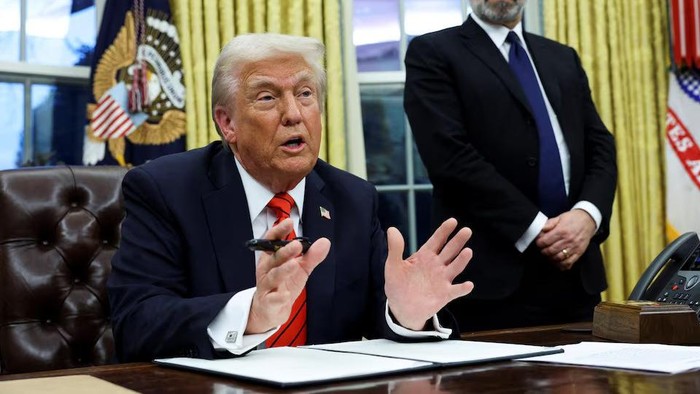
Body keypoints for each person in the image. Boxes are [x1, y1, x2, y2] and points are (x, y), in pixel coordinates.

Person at [108, 33, 475, 361]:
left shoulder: (352, 199)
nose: (294, 114)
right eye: (268, 97)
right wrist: (250, 314)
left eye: (305, 94)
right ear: (227, 123)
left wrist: (407, 316)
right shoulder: (166, 189)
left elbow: (381, 313)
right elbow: (136, 324)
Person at [404, 0, 617, 331]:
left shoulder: (562, 57)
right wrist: (537, 229)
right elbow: (450, 158)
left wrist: (587, 216)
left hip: (576, 273)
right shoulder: (433, 52)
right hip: (489, 283)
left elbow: (601, 146)